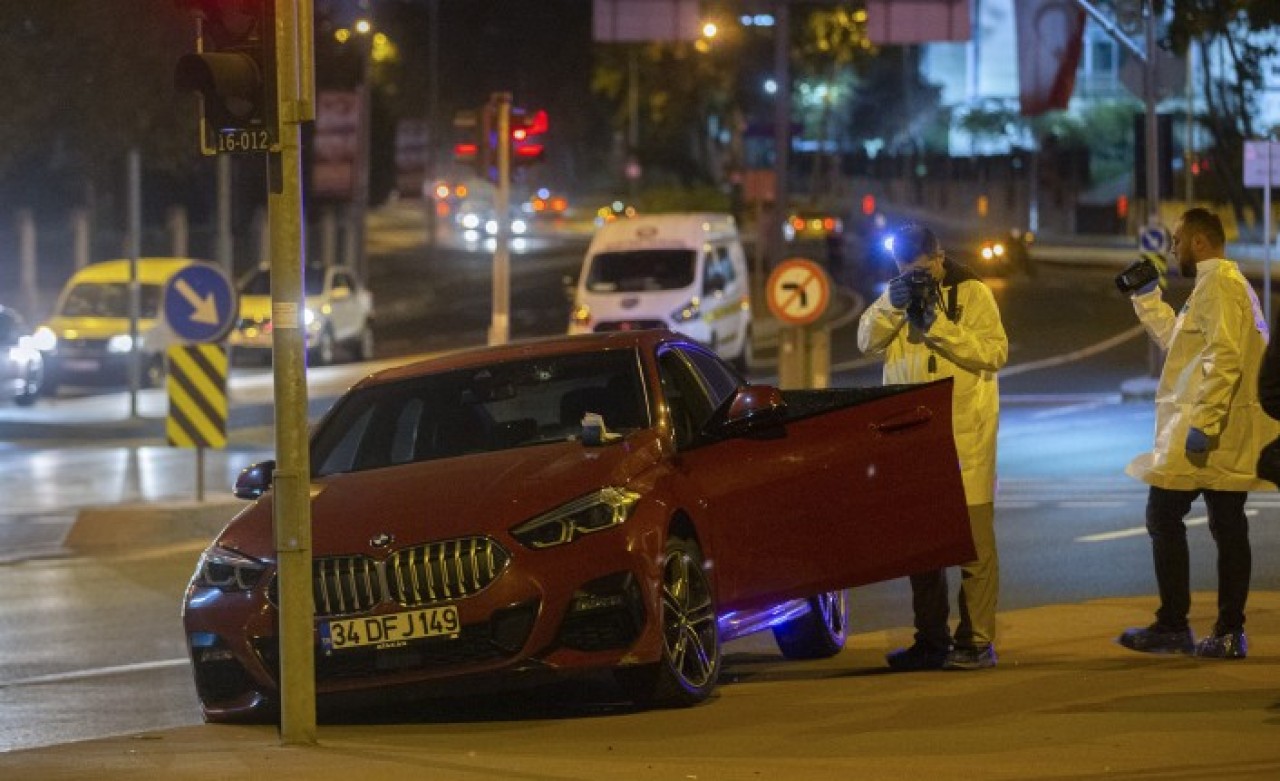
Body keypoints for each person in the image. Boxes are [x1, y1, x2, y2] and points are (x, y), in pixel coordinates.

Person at [1117, 207, 1279, 659]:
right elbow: (1182, 347)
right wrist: (1147, 299)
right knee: (1226, 526)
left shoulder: (1222, 286)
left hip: (1213, 432)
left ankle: (1179, 625)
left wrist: (1204, 424)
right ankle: (1225, 631)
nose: (1172, 248)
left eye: (1177, 240)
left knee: (1166, 514)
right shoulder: (1216, 286)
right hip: (1216, 428)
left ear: (1199, 242)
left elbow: (1224, 357)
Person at [857, 223, 1009, 671]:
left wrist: (938, 327)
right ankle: (931, 639)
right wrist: (892, 303)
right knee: (923, 549)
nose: (919, 278)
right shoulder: (895, 296)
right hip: (914, 442)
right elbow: (866, 341)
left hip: (966, 438)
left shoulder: (973, 294)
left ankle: (977, 641)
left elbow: (995, 352)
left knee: (974, 549)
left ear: (940, 258)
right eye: (909, 273)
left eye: (925, 270)